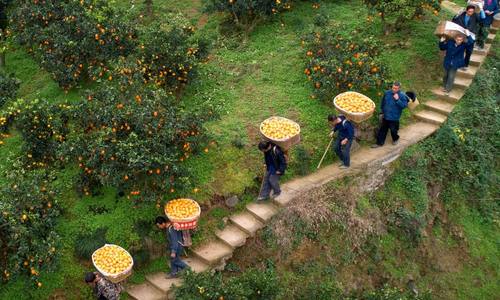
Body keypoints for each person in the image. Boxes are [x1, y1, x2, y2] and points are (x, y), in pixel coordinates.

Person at [372, 82, 408, 148]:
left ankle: (395, 139)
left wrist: (397, 99)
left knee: (393, 130)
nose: (394, 89)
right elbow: (383, 102)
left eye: (396, 88)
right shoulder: (387, 93)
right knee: (382, 129)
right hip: (386, 115)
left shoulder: (402, 96)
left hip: (394, 117)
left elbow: (404, 106)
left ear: (399, 88)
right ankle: (379, 143)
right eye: (393, 87)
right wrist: (382, 111)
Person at [452, 5, 486, 69]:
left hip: (471, 36)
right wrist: (457, 14)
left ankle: (465, 65)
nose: (471, 13)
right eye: (469, 11)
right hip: (462, 35)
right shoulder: (462, 14)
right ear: (466, 10)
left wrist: (481, 10)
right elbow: (454, 21)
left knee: (469, 51)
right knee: (460, 50)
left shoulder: (475, 15)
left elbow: (482, 19)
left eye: (472, 11)